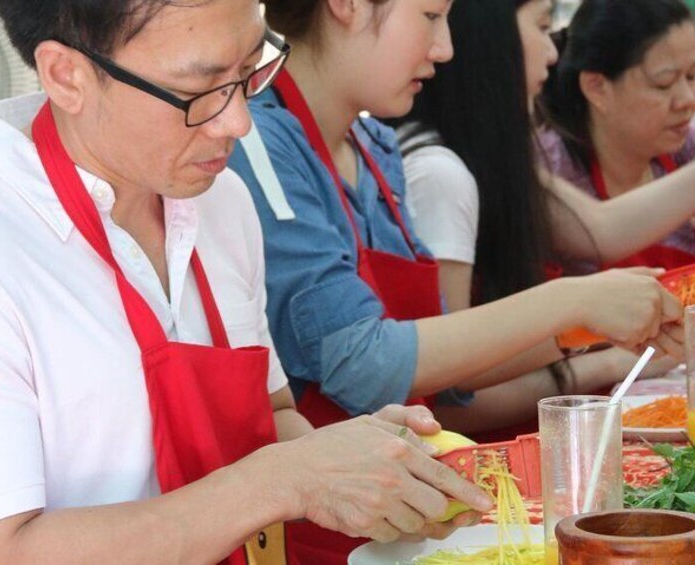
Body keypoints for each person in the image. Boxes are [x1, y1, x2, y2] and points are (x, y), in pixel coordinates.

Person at [0, 1, 501, 563]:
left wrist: (352, 459)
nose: (238, 122)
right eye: (201, 89)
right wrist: (280, 482)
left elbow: (268, 418)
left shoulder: (220, 203)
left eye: (251, 70)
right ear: (66, 75)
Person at [227, 0, 683, 561]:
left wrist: (596, 326)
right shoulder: (262, 149)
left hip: (406, 525)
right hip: (323, 535)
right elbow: (365, 364)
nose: (444, 48)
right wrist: (573, 303)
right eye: (428, 16)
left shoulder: (376, 150)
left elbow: (441, 370)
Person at [386, 0, 695, 434]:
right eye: (542, 26)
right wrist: (601, 346)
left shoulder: (497, 163)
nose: (554, 52)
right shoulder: (442, 173)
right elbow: (447, 392)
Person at [539, 0, 695, 274]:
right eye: (664, 83)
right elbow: (602, 234)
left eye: (693, 76)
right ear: (597, 88)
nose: (687, 100)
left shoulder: (686, 151)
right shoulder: (549, 167)